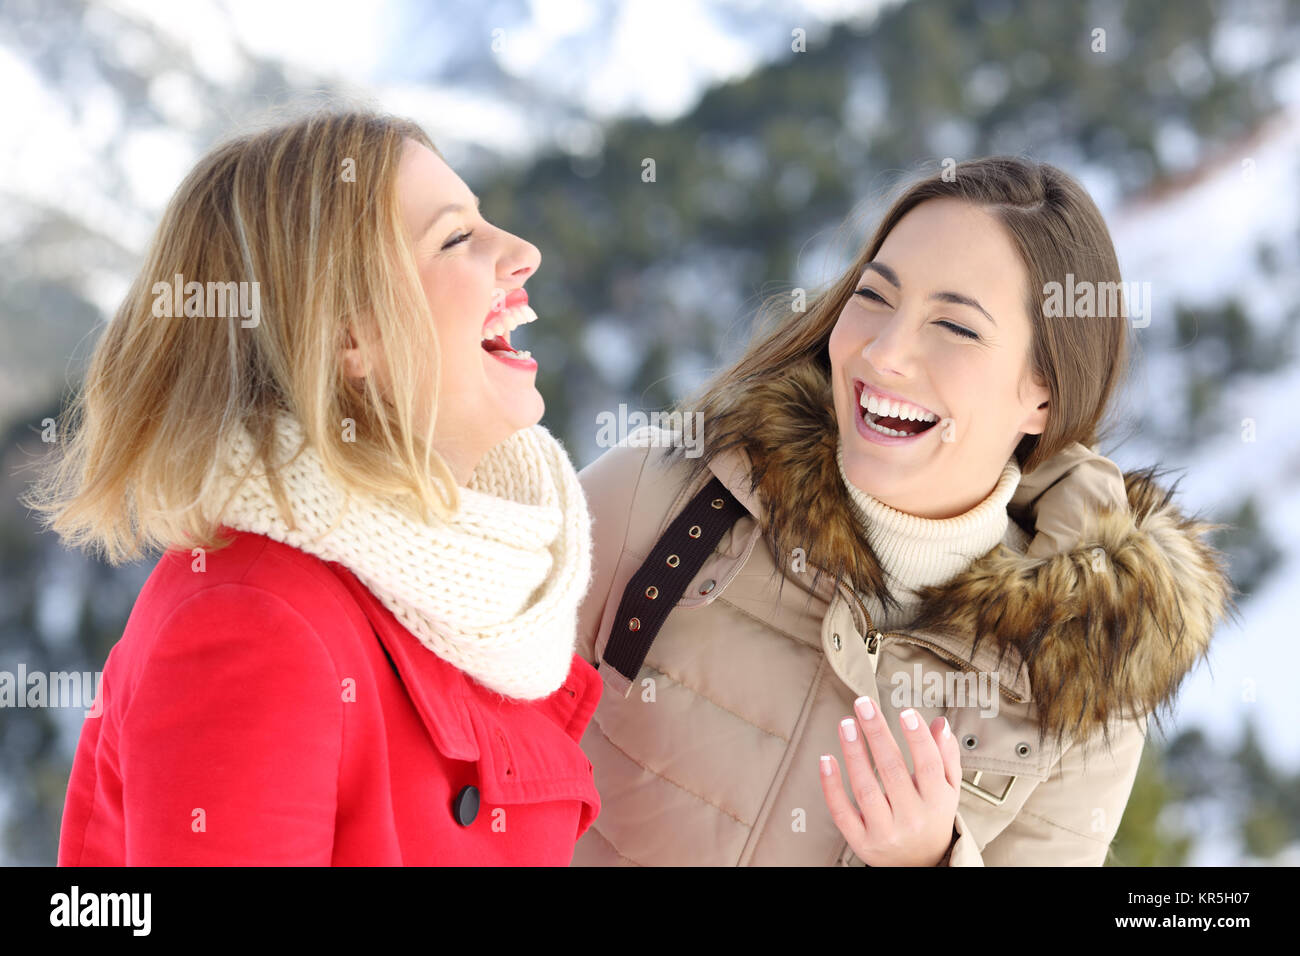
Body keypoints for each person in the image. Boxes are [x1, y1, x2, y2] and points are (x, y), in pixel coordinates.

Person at [572, 156, 1236, 866]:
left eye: (954, 327)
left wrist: (930, 862)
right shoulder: (666, 498)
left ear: (1043, 392)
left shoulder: (1082, 680)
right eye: (875, 297)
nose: (885, 354)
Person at [26, 103, 600, 865]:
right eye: (457, 237)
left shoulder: (467, 597)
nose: (523, 253)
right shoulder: (249, 618)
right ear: (348, 333)